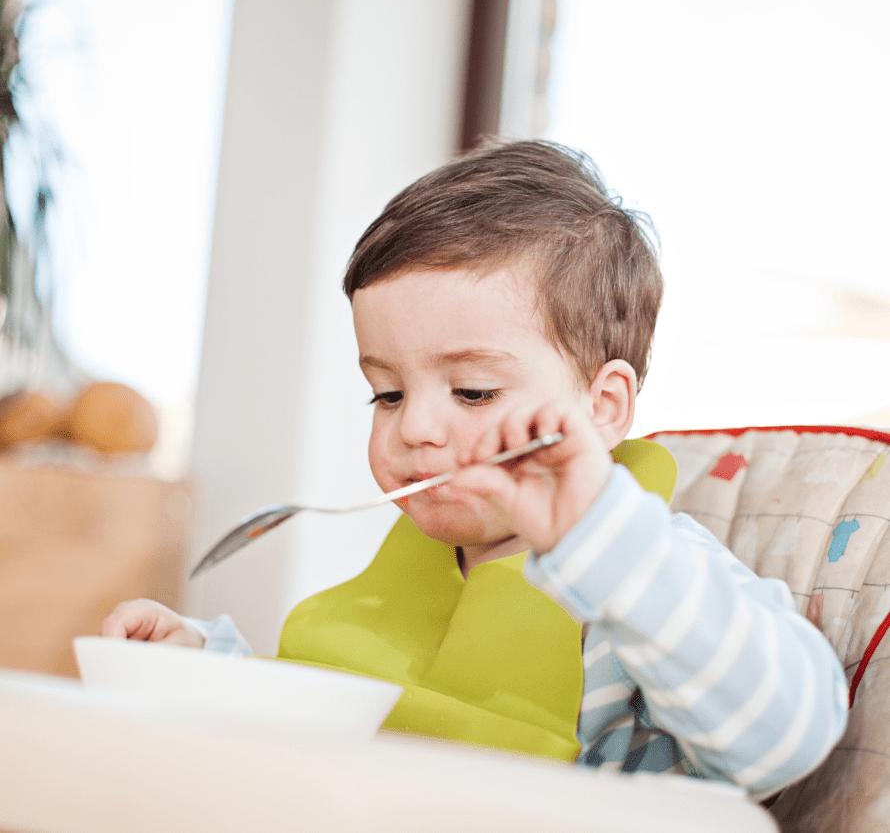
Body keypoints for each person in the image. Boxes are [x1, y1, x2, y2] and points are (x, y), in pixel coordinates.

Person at [101, 139, 847, 800]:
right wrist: (207, 664)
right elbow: (334, 712)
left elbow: (789, 736)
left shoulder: (648, 580)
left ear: (603, 407)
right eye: (387, 393)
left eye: (473, 392)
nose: (416, 428)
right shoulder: (410, 576)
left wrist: (613, 549)